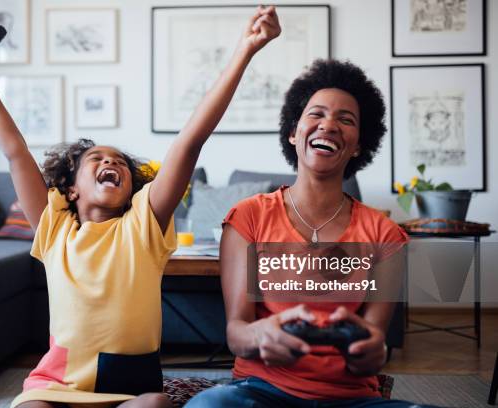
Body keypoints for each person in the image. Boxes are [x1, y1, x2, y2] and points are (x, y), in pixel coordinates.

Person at [0, 5, 281, 408]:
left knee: (158, 405)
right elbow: (14, 151)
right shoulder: (55, 227)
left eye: (120, 162)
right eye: (96, 159)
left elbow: (190, 140)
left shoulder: (142, 225)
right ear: (71, 190)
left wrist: (244, 51)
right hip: (58, 383)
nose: (111, 162)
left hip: (132, 387)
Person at [185, 60, 441, 407]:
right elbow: (237, 332)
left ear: (358, 146)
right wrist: (261, 335)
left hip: (352, 399)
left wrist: (368, 350)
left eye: (346, 120)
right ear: (294, 132)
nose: (330, 125)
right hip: (259, 392)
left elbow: (377, 343)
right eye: (317, 114)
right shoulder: (248, 217)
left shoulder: (386, 235)